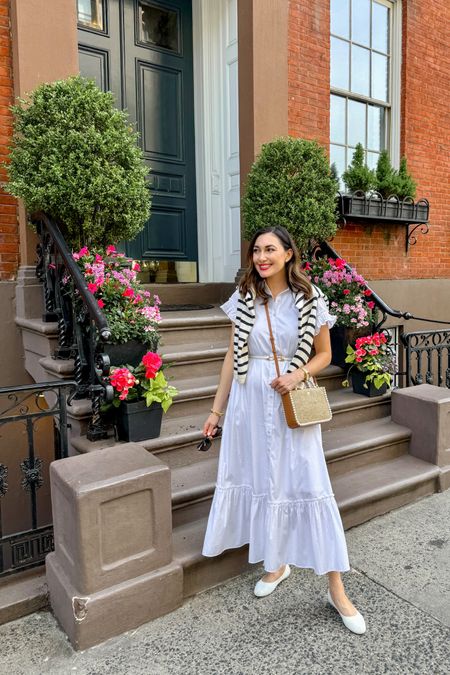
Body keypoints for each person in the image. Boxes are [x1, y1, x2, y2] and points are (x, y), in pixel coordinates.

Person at [201, 226, 366, 635]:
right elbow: (230, 356)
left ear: (289, 254)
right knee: (262, 478)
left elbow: (326, 354)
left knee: (309, 483)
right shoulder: (243, 297)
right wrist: (216, 411)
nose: (261, 257)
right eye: (256, 250)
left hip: (290, 401)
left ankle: (336, 588)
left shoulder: (310, 298)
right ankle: (277, 563)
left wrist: (296, 375)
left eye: (270, 249)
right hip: (248, 402)